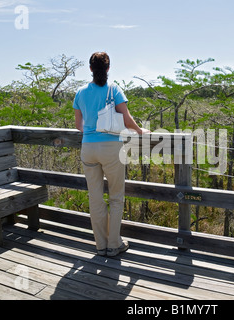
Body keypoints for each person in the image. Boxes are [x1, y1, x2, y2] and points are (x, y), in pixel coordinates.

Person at [73, 52, 150, 257]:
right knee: (116, 197)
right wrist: (140, 131)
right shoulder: (114, 89)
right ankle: (114, 245)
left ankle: (100, 245)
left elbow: (78, 125)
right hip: (111, 148)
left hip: (88, 148)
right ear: (108, 68)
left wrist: (91, 131)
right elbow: (126, 119)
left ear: (90, 69)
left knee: (95, 198)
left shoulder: (80, 92)